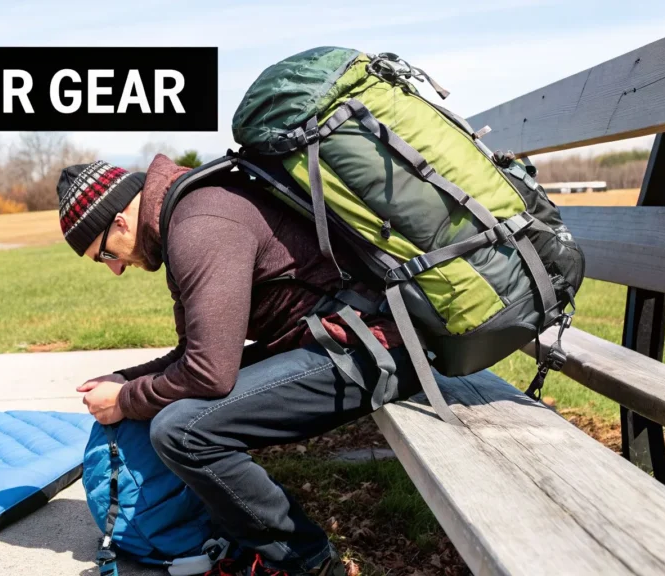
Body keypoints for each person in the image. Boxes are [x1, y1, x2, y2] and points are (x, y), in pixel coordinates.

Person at [54, 154, 421, 576]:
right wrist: (126, 379)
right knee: (175, 417)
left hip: (375, 348)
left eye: (103, 256)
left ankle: (307, 561)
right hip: (344, 338)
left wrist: (124, 399)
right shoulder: (183, 215)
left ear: (120, 221)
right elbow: (192, 353)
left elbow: (209, 373)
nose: (115, 269)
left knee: (181, 431)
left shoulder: (199, 224)